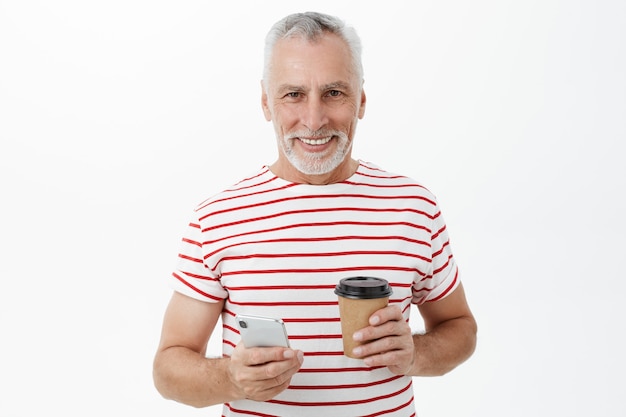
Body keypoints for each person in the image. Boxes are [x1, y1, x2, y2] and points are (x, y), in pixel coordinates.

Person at [153, 11, 477, 416]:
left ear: (361, 99)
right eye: (293, 94)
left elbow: (461, 329)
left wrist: (415, 354)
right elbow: (168, 368)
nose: (314, 120)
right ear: (266, 102)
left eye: (334, 93)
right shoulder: (217, 217)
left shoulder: (413, 207)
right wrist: (231, 378)